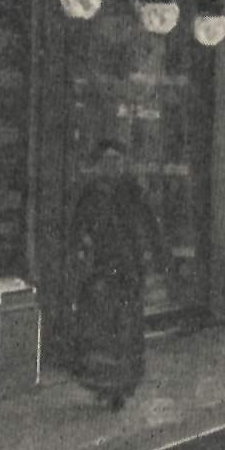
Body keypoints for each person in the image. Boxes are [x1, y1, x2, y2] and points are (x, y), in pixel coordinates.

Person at [65, 140, 169, 410]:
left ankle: (122, 385)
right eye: (108, 162)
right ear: (100, 165)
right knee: (102, 330)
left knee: (125, 329)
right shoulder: (93, 195)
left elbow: (150, 225)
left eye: (118, 161)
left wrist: (156, 257)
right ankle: (104, 383)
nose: (114, 167)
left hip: (128, 272)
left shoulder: (133, 192)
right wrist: (79, 252)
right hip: (101, 273)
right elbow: (78, 230)